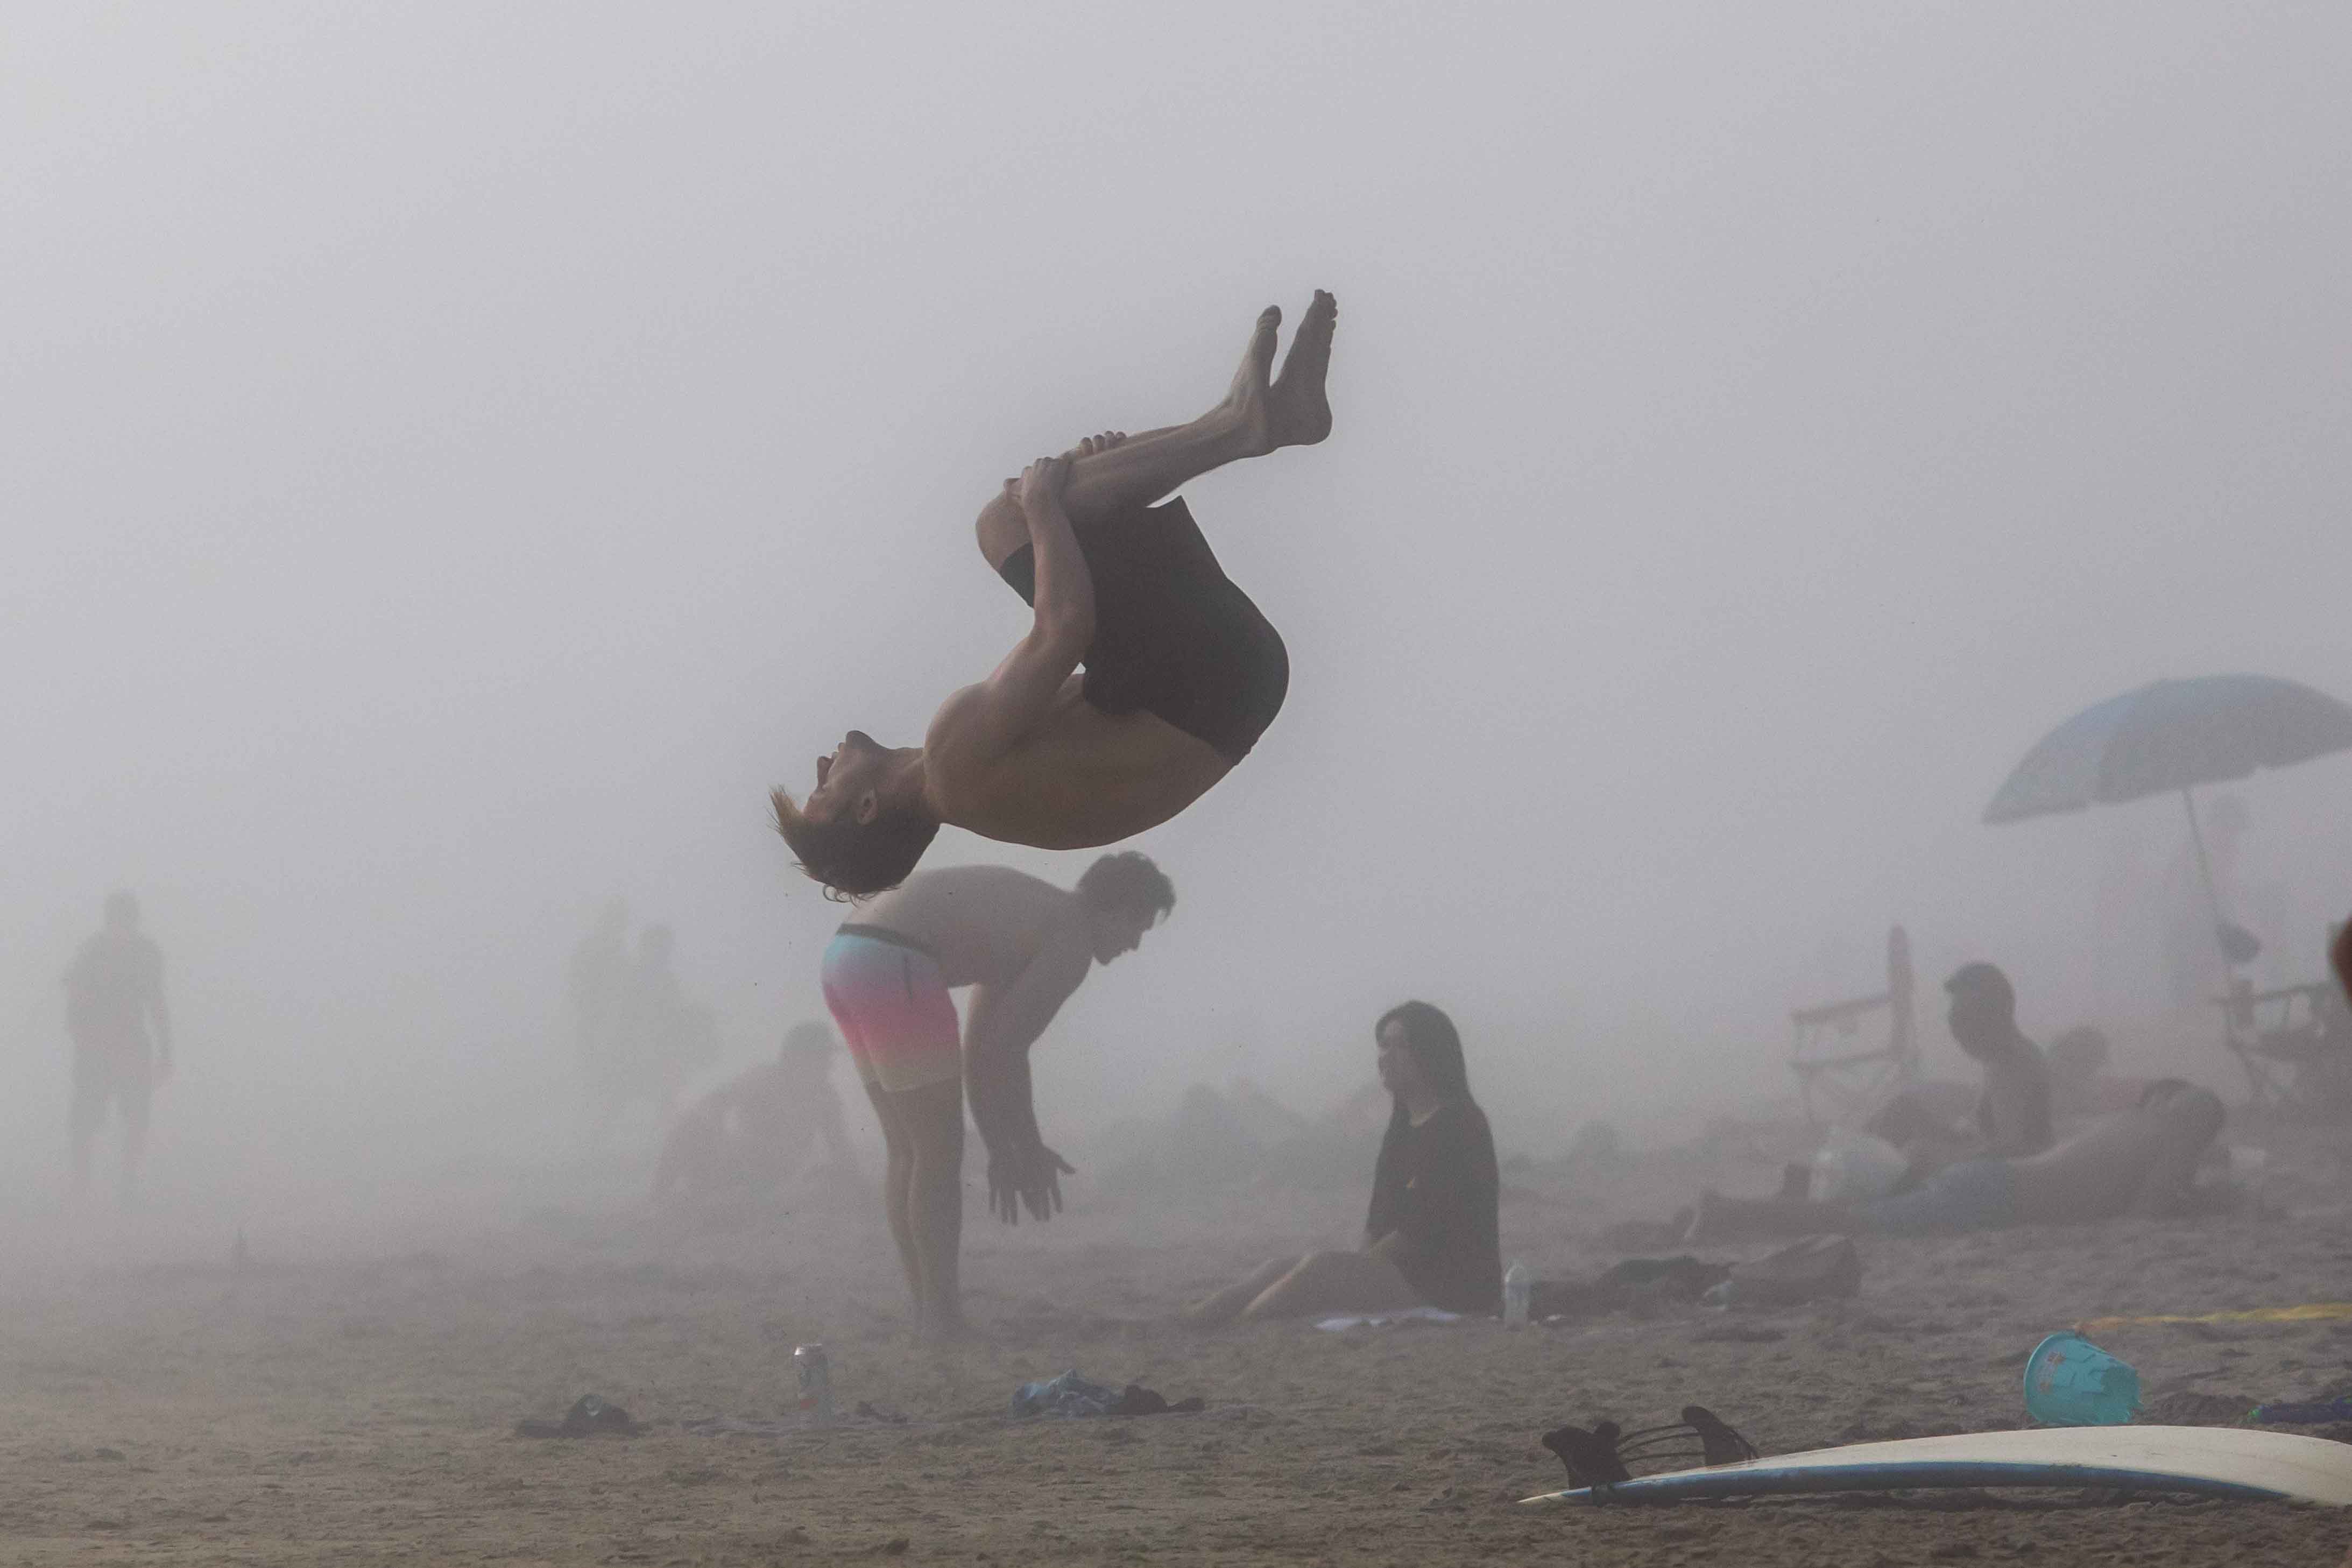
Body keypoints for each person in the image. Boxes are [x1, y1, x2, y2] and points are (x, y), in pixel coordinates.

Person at [773, 292, 1337, 896]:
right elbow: (1066, 628)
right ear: (865, 808)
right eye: (821, 791)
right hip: (1207, 683)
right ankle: (1242, 424)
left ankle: (1267, 420)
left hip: (1234, 688)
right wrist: (1044, 505)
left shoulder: (976, 789)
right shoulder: (952, 763)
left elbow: (1094, 648)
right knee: (1005, 522)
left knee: (1058, 511)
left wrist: (1074, 490)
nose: (821, 768)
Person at [818, 853, 1177, 1337]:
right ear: (1113, 910)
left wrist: (1003, 1148)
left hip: (847, 957)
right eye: (1136, 928)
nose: (1133, 945)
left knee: (909, 1150)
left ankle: (930, 1311)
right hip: (895, 959)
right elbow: (1007, 1053)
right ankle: (941, 1319)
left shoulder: (1033, 918)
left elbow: (983, 1052)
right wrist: (1023, 1148)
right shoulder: (1070, 938)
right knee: (935, 1152)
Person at [1183, 1001, 1501, 1326]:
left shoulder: (1461, 1125)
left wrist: (1356, 1269)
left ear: (1431, 1053)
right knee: (1276, 1268)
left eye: (1400, 1045)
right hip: (1401, 1274)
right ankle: (1191, 1321)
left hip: (1449, 1287)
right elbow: (1377, 1221)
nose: (1386, 1056)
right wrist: (1359, 1266)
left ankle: (1240, 1329)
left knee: (1321, 1269)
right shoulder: (1401, 1128)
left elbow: (1418, 1232)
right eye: (1384, 1045)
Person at [1690, 1079, 2227, 1241]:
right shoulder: (2188, 1122)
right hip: (1994, 1196)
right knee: (1850, 1221)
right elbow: (2145, 1215)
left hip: (1990, 1181)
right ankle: (1728, 1211)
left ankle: (1754, 1204)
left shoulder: (2129, 1124)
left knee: (1859, 1209)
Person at [1864, 962, 2054, 1173]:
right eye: (1956, 1013)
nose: (1956, 1025)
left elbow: (2016, 1149)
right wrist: (1950, 1137)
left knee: (1912, 1146)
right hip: (1984, 1158)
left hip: (2000, 1182)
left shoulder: (2011, 1062)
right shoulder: (2003, 1056)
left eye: (1965, 1015)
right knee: (1903, 1110)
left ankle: (1859, 1186)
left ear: (1994, 1013)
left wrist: (1941, 1160)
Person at [651, 1021, 860, 1212]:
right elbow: (715, 1102)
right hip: (734, 1162)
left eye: (827, 1058)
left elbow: (841, 1145)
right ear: (799, 1058)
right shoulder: (764, 1079)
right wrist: (713, 1126)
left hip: (769, 1175)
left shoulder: (825, 1096)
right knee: (688, 1128)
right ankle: (658, 1197)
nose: (829, 1065)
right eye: (822, 1058)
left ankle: (689, 1198)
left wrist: (843, 1174)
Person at [62, 890, 172, 1203]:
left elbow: (157, 1003)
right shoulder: (91, 953)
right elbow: (74, 1005)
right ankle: (81, 1184)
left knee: (136, 1118)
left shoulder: (146, 954)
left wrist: (166, 1051)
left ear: (134, 921)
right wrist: (83, 1041)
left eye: (127, 920)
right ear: (109, 920)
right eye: (117, 919)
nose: (122, 926)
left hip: (132, 1045)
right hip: (95, 1048)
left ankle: (128, 1184)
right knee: (84, 1120)